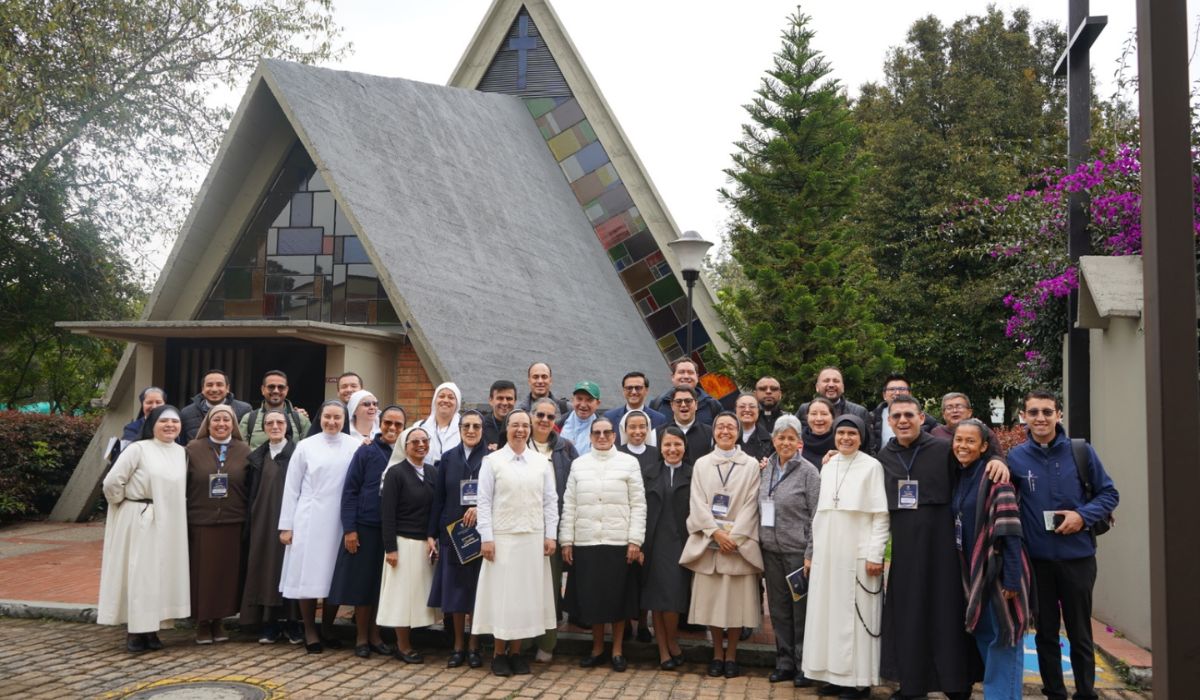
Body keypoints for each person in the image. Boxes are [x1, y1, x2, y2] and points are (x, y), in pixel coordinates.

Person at [876, 394, 1008, 700]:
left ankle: (955, 683)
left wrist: (998, 459)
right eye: (897, 416)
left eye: (909, 415)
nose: (903, 421)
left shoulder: (943, 449)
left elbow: (976, 456)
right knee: (909, 615)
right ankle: (912, 684)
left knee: (948, 614)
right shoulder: (883, 458)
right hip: (906, 550)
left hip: (944, 547)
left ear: (922, 418)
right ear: (889, 422)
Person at [1009, 390, 1118, 700]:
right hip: (1037, 560)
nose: (1040, 418)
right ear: (1024, 417)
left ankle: (1086, 693)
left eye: (1047, 412)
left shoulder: (1081, 452)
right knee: (1045, 633)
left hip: (1077, 558)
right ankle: (1054, 693)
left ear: (1059, 415)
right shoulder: (1015, 458)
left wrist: (1082, 517)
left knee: (1080, 632)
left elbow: (1109, 494)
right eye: (1033, 412)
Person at [801, 414, 889, 699]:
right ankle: (833, 675)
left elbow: (880, 516)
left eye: (852, 434)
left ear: (861, 438)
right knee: (828, 617)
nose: (846, 438)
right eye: (841, 434)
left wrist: (874, 554)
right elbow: (820, 516)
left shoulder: (872, 466)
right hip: (827, 557)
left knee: (855, 621)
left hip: (858, 557)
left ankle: (857, 682)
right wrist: (813, 553)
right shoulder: (828, 465)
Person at [471, 409, 560, 677]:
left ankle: (517, 653)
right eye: (515, 425)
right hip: (502, 539)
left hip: (533, 538)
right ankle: (499, 653)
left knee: (525, 598)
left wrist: (550, 534)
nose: (520, 430)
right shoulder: (492, 461)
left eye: (525, 425)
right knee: (504, 598)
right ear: (506, 429)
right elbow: (483, 501)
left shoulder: (541, 462)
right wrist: (486, 537)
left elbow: (550, 501)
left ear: (530, 429)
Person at [952, 418, 1033, 700]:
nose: (962, 446)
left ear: (984, 446)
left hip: (999, 575)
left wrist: (1011, 579)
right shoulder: (961, 475)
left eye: (970, 441)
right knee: (986, 635)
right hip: (977, 575)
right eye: (958, 439)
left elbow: (1011, 532)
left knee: (1004, 640)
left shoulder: (997, 479)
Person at [98, 405, 190, 653]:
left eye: (175, 421)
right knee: (141, 575)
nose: (170, 425)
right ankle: (135, 630)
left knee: (160, 575)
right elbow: (112, 482)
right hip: (140, 518)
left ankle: (152, 628)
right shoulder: (137, 449)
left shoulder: (181, 453)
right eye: (164, 421)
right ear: (152, 424)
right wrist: (125, 505)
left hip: (169, 521)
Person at [680, 412, 763, 679]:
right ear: (713, 431)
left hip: (738, 546)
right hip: (710, 543)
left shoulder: (750, 465)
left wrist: (734, 538)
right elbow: (697, 501)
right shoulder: (702, 464)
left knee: (736, 605)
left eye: (730, 427)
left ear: (738, 432)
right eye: (720, 427)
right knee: (713, 604)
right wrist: (715, 533)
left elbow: (752, 504)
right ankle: (717, 653)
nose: (725, 431)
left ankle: (732, 655)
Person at [560, 417, 647, 672]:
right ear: (590, 437)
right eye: (596, 433)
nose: (601, 437)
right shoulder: (578, 464)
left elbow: (638, 504)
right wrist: (567, 540)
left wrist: (635, 540)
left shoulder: (629, 463)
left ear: (614, 436)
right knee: (593, 599)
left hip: (617, 541)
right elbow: (570, 504)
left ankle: (617, 650)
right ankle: (597, 648)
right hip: (587, 541)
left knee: (618, 599)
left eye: (606, 432)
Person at [278, 400, 363, 653]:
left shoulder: (355, 446)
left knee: (333, 576)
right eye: (327, 417)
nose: (332, 422)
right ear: (319, 418)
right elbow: (291, 488)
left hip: (339, 519)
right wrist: (286, 526)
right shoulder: (305, 446)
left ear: (345, 421)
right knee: (309, 574)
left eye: (337, 418)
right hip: (309, 516)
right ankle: (310, 630)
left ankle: (327, 627)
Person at [328, 405, 406, 658]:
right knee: (362, 584)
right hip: (366, 525)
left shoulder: (406, 454)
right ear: (380, 424)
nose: (392, 428)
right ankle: (361, 637)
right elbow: (350, 491)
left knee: (381, 586)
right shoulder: (366, 452)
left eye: (398, 424)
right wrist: (350, 529)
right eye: (388, 423)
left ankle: (375, 635)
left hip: (393, 529)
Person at [759, 415, 820, 688]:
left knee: (800, 610)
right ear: (774, 440)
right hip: (771, 551)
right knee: (778, 608)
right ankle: (784, 661)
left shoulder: (809, 472)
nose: (785, 442)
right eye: (781, 437)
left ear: (799, 442)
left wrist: (810, 552)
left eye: (790, 438)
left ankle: (803, 663)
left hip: (797, 553)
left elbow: (817, 515)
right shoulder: (767, 468)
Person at [184, 404, 252, 644]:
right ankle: (203, 622)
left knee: (226, 574)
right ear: (208, 423)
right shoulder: (192, 449)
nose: (222, 424)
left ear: (233, 424)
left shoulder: (244, 450)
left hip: (233, 521)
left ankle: (219, 620)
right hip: (201, 521)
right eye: (217, 420)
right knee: (202, 574)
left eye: (226, 420)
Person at [428, 410, 488, 669]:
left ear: (483, 430)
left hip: (481, 535)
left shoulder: (492, 459)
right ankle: (458, 646)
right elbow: (438, 498)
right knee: (456, 593)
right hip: (453, 533)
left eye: (476, 426)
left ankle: (474, 645)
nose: (471, 431)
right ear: (460, 429)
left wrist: (480, 509)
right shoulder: (448, 458)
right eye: (466, 426)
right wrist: (432, 533)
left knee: (476, 592)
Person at [377, 426, 440, 664]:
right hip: (402, 544)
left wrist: (433, 537)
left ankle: (414, 640)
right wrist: (390, 548)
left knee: (418, 596)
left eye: (425, 440)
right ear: (405, 446)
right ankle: (402, 646)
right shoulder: (395, 473)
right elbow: (387, 514)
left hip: (425, 544)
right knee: (402, 598)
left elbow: (436, 509)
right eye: (415, 442)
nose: (421, 445)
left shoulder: (432, 472)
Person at [240, 409, 301, 644]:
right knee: (266, 568)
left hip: (293, 521)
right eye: (269, 423)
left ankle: (293, 622)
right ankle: (269, 622)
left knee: (291, 568)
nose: (275, 426)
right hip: (263, 521)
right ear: (264, 428)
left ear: (288, 426)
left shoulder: (298, 454)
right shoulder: (257, 457)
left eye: (279, 422)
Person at [528, 396, 579, 663]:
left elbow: (572, 492)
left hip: (552, 529)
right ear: (531, 416)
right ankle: (522, 640)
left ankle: (546, 643)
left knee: (549, 589)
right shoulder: (518, 444)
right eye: (540, 415)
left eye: (550, 416)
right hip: (523, 528)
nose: (545, 420)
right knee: (524, 586)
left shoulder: (565, 449)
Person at [640, 427, 692, 670]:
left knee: (672, 600)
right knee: (657, 600)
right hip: (654, 543)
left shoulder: (694, 474)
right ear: (660, 448)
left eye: (677, 444)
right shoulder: (649, 473)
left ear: (684, 446)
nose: (672, 449)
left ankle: (671, 640)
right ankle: (664, 650)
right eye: (667, 445)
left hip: (681, 543)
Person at [795, 367, 871, 450]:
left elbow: (869, 447)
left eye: (836, 381)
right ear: (817, 387)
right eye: (826, 381)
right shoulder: (804, 409)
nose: (831, 385)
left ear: (843, 387)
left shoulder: (859, 412)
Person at [239, 370, 310, 449]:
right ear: (263, 389)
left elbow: (308, 451)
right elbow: (241, 452)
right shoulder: (249, 419)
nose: (276, 391)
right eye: (271, 387)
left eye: (281, 387)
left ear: (286, 390)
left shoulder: (301, 420)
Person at [868, 373, 939, 452]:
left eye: (902, 389)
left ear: (910, 394)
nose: (897, 393)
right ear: (884, 395)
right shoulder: (871, 418)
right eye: (892, 389)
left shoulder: (926, 420)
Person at [178, 369, 252, 443]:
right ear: (203, 389)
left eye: (219, 385)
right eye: (209, 385)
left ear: (227, 388)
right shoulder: (187, 413)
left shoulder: (244, 410)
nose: (214, 389)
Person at [649, 359, 723, 426]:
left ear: (697, 377)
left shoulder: (712, 405)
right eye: (681, 372)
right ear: (673, 377)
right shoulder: (657, 404)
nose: (686, 376)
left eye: (690, 372)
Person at [603, 371, 668, 440]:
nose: (633, 392)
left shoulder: (659, 419)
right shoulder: (609, 417)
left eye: (638, 388)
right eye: (629, 388)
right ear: (623, 391)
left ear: (646, 390)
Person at [657, 385, 713, 464]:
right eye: (678, 401)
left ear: (696, 405)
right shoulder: (657, 433)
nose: (683, 405)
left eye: (688, 401)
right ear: (672, 406)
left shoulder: (710, 433)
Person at [418, 382, 461, 465]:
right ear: (435, 400)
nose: (445, 400)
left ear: (457, 403)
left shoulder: (465, 429)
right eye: (441, 396)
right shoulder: (419, 427)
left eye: (451, 397)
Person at [557, 380, 601, 456]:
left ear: (598, 403)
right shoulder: (559, 423)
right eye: (579, 399)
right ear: (572, 400)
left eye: (589, 400)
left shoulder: (603, 429)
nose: (583, 405)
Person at [119, 387, 166, 453]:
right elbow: (130, 452)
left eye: (158, 402)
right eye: (149, 402)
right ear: (142, 404)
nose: (154, 406)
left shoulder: (172, 426)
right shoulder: (131, 429)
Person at [617, 409, 658, 476]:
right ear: (625, 429)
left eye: (642, 427)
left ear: (647, 429)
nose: (638, 432)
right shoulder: (617, 454)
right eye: (632, 427)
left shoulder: (657, 453)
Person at [735, 393, 774, 463]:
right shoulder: (725, 436)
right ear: (735, 410)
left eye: (752, 406)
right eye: (742, 406)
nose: (747, 410)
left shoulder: (770, 441)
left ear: (758, 411)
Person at [800, 397, 836, 469]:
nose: (819, 419)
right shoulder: (797, 441)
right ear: (807, 417)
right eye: (814, 414)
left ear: (833, 417)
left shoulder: (841, 441)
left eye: (824, 414)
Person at [481, 380, 517, 449]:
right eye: (500, 398)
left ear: (515, 401)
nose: (504, 403)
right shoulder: (481, 426)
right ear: (491, 401)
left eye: (509, 399)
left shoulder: (522, 426)